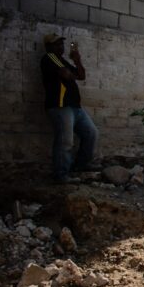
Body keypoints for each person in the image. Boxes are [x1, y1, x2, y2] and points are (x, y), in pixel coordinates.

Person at [40, 33, 99, 183]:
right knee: (65, 141)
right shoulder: (49, 58)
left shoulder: (63, 61)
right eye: (57, 44)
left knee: (91, 133)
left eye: (62, 43)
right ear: (48, 47)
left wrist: (77, 61)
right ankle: (61, 175)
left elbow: (81, 75)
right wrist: (73, 73)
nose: (61, 46)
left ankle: (80, 165)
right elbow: (67, 75)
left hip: (75, 107)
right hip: (60, 106)